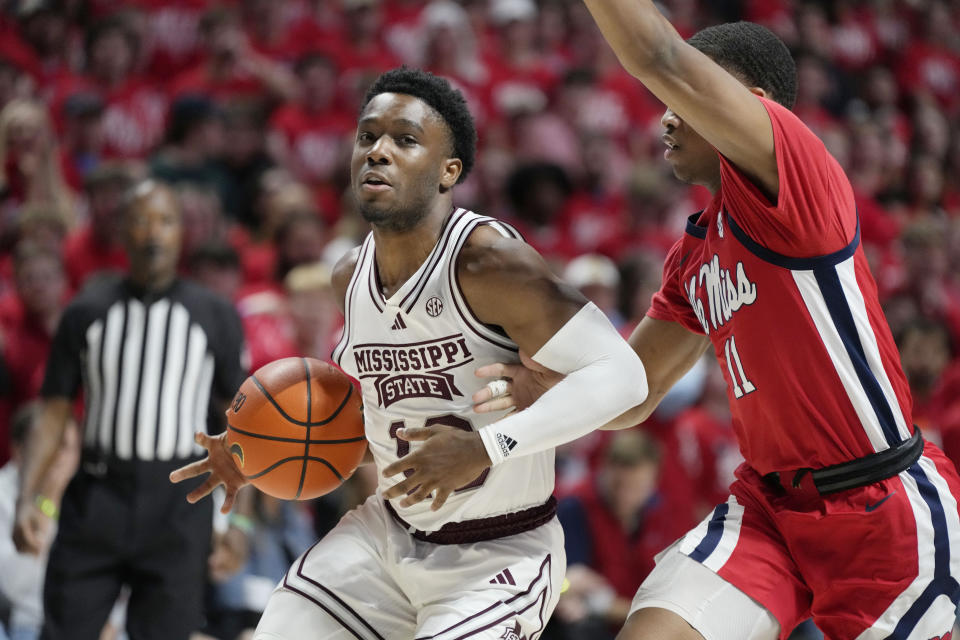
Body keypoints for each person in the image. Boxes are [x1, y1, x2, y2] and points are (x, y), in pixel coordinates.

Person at [472, 6, 960, 640]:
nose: (666, 114)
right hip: (768, 510)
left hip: (879, 506)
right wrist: (551, 393)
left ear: (752, 107)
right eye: (666, 101)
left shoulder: (797, 178)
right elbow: (635, 391)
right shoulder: (696, 253)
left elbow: (660, 55)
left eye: (686, 98)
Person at [170, 67, 648, 640]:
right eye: (367, 136)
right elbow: (371, 433)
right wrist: (258, 453)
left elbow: (624, 377)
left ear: (450, 172)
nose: (378, 152)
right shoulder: (349, 275)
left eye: (405, 139)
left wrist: (486, 447)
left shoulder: (488, 261)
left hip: (500, 551)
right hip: (387, 535)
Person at [12, 180, 251, 640]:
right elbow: (53, 412)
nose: (153, 234)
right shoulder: (85, 311)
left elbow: (240, 425)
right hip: (98, 496)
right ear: (121, 232)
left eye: (164, 221)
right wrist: (30, 497)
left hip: (180, 504)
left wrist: (239, 521)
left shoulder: (215, 315)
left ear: (182, 233)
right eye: (140, 221)